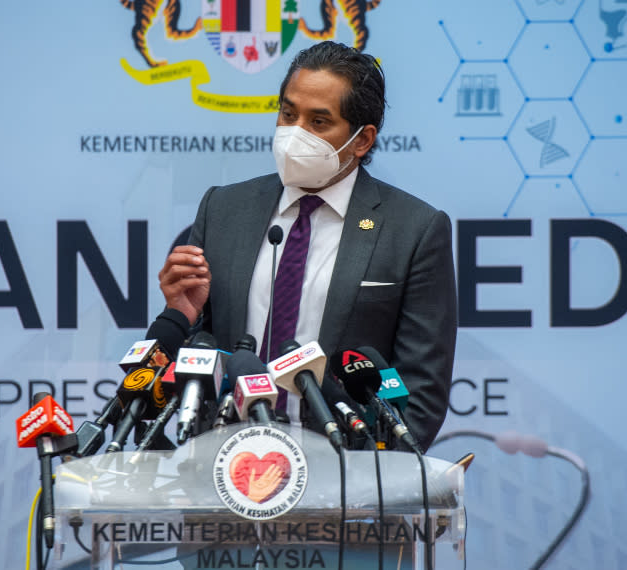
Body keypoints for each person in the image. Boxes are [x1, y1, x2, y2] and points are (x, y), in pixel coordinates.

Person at [158, 41, 457, 451]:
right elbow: (196, 356)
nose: (294, 133)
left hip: (344, 477)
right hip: (224, 466)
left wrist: (376, 484)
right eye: (288, 113)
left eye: (318, 122)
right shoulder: (224, 208)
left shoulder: (414, 230)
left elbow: (421, 392)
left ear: (361, 140)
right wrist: (180, 314)